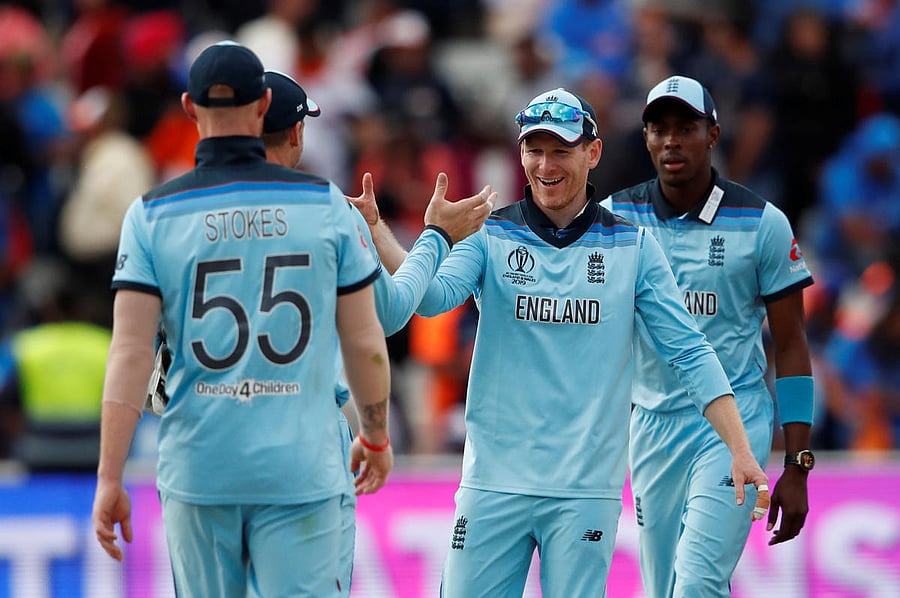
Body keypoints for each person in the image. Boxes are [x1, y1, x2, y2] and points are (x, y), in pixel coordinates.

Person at [352, 87, 769, 597]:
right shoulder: (490, 234)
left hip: (582, 494)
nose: (545, 165)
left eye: (561, 150)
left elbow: (690, 352)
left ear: (592, 153)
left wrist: (741, 450)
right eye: (534, 149)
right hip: (493, 485)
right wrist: (391, 233)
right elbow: (423, 301)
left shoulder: (634, 246)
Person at [91, 41, 392, 598]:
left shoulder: (151, 214)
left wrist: (110, 475)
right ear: (264, 106)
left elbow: (130, 352)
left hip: (200, 471)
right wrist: (374, 434)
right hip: (299, 469)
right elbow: (363, 335)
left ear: (188, 108)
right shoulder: (327, 205)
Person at [259, 69, 493, 595]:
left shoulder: (192, 207)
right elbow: (387, 316)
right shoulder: (325, 208)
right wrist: (436, 236)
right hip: (305, 448)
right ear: (296, 134)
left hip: (215, 448)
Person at [601, 75, 816, 597]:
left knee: (697, 585)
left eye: (686, 127)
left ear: (713, 135)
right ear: (646, 139)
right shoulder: (612, 219)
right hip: (651, 426)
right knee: (663, 590)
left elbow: (790, 346)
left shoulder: (763, 223)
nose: (671, 141)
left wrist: (797, 464)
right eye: (658, 129)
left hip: (733, 426)